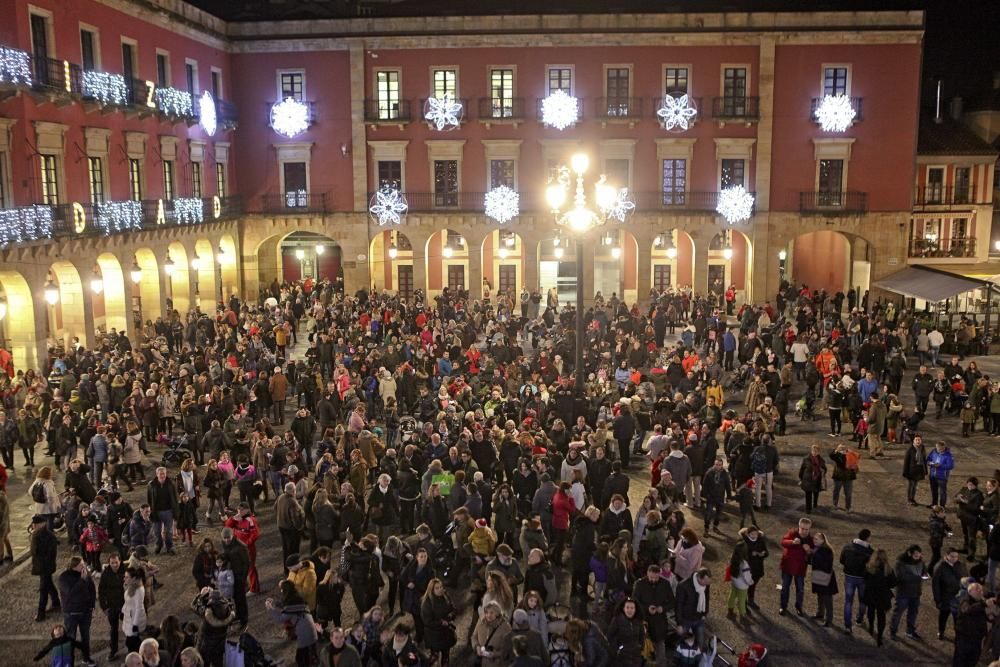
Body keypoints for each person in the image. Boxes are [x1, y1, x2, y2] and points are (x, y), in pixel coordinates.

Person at [266, 580, 319, 667]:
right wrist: (274, 603)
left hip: (304, 635)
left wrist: (270, 608)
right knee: (309, 655)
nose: (281, 591)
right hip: (311, 631)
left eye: (282, 589)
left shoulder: (291, 605)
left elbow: (280, 619)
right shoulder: (298, 598)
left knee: (303, 659)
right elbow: (286, 605)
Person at [56, 556, 97, 666]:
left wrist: (92, 604)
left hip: (85, 613)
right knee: (70, 639)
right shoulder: (63, 578)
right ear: (73, 566)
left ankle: (87, 658)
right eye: (81, 565)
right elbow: (70, 593)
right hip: (71, 614)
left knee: (86, 637)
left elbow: (92, 589)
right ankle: (70, 663)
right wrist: (81, 581)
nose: (84, 566)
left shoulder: (85, 574)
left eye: (83, 564)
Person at [889, 544, 926, 640]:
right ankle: (893, 631)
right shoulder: (900, 563)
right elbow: (901, 577)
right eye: (916, 555)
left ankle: (910, 631)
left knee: (913, 613)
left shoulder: (920, 562)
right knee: (898, 612)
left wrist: (925, 574)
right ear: (909, 553)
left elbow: (923, 571)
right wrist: (918, 578)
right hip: (903, 592)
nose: (918, 557)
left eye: (919, 555)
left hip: (916, 592)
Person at [839, 528, 873, 634]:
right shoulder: (870, 551)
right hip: (862, 578)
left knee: (848, 601)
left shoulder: (847, 547)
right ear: (867, 537)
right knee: (863, 600)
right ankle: (859, 618)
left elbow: (842, 560)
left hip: (849, 576)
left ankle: (847, 625)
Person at [779, 517, 814, 616]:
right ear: (799, 527)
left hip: (800, 568)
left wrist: (809, 550)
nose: (804, 531)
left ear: (809, 528)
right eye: (802, 528)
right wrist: (792, 542)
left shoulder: (810, 539)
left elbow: (814, 553)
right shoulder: (792, 533)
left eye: (806, 529)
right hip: (788, 566)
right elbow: (783, 542)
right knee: (785, 587)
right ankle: (783, 606)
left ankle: (799, 607)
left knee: (800, 589)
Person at [952, 582, 994, 667]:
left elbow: (985, 616)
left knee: (973, 660)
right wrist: (984, 604)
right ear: (970, 591)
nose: (980, 592)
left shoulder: (980, 602)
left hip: (976, 639)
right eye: (977, 590)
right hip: (964, 638)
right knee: (960, 661)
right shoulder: (965, 600)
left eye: (981, 591)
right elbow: (967, 610)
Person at [862, 548, 895, 647]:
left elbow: (864, 579)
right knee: (881, 616)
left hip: (871, 594)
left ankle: (871, 626)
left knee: (871, 611)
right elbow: (893, 583)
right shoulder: (888, 569)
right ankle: (879, 637)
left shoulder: (869, 568)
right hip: (883, 596)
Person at [932, 548, 966, 640]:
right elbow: (935, 585)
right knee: (943, 616)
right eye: (952, 556)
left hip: (958, 597)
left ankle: (958, 634)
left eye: (956, 556)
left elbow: (965, 579)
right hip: (945, 597)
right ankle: (941, 631)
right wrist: (937, 599)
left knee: (957, 618)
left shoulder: (961, 565)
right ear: (946, 556)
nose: (954, 558)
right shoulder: (940, 567)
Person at [31, 514, 59, 623]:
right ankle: (56, 602)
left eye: (35, 524)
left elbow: (34, 551)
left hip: (42, 566)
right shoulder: (51, 535)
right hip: (49, 565)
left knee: (43, 589)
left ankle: (41, 612)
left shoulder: (36, 535)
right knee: (49, 583)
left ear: (40, 524)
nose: (33, 526)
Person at [675, 567, 712, 649]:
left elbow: (706, 598)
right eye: (705, 582)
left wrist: (704, 613)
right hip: (686, 619)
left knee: (700, 642)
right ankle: (680, 656)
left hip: (699, 618)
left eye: (708, 582)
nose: (706, 584)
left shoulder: (705, 585)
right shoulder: (683, 586)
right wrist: (679, 623)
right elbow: (678, 605)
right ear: (699, 577)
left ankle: (697, 658)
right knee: (681, 641)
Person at [99, 552, 126, 660]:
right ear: (109, 563)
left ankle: (131, 647)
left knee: (128, 627)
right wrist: (104, 607)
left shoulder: (125, 571)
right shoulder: (105, 574)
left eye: (116, 562)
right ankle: (113, 650)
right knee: (113, 629)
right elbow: (101, 591)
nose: (115, 565)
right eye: (112, 563)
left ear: (120, 561)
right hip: (112, 605)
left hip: (124, 604)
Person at [147, 466, 179, 555]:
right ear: (156, 474)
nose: (162, 475)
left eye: (164, 473)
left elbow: (175, 498)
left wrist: (176, 511)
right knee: (157, 531)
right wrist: (150, 511)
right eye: (160, 474)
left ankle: (170, 547)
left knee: (168, 532)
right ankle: (159, 545)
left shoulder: (171, 484)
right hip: (156, 512)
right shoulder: (151, 485)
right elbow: (149, 499)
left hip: (168, 511)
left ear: (166, 474)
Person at [607, 598, 646, 667]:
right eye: (627, 607)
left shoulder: (638, 620)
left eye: (632, 608)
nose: (629, 610)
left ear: (635, 609)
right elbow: (610, 636)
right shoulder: (617, 620)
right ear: (623, 608)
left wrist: (640, 646)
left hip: (635, 656)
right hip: (621, 657)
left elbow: (642, 634)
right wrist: (618, 649)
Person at [810, 532, 838, 627]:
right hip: (819, 576)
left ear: (822, 540)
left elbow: (825, 564)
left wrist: (813, 554)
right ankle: (820, 613)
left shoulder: (827, 550)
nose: (814, 541)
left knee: (827, 599)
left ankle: (829, 619)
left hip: (826, 578)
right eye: (814, 539)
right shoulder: (816, 549)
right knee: (820, 596)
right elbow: (811, 561)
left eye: (817, 539)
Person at [122, 567, 147, 653]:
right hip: (129, 618)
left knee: (132, 643)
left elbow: (138, 608)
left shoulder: (139, 590)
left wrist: (135, 625)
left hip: (134, 620)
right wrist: (123, 611)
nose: (124, 578)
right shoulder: (130, 586)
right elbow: (128, 602)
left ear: (133, 578)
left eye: (127, 577)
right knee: (131, 642)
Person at [798, 444, 826, 513]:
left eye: (816, 451)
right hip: (808, 480)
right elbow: (802, 469)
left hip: (817, 480)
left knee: (816, 493)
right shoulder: (806, 459)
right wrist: (801, 478)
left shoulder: (821, 460)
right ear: (811, 451)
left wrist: (822, 470)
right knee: (808, 495)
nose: (814, 452)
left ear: (819, 452)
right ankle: (808, 509)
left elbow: (825, 469)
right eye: (813, 451)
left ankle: (815, 504)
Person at [927, 441, 954, 508]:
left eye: (940, 448)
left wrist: (940, 466)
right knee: (934, 491)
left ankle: (942, 507)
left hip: (942, 477)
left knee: (942, 493)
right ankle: (934, 505)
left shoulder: (948, 455)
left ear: (944, 447)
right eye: (937, 448)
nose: (938, 450)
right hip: (933, 475)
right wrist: (930, 463)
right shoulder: (933, 451)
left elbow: (950, 466)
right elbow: (928, 459)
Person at [902, 435, 928, 506]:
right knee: (911, 485)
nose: (918, 441)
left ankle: (912, 499)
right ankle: (910, 499)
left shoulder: (922, 448)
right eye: (916, 440)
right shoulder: (910, 449)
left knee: (915, 486)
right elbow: (906, 461)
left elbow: (924, 459)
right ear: (913, 441)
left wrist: (925, 470)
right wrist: (905, 472)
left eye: (919, 440)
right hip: (911, 471)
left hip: (919, 471)